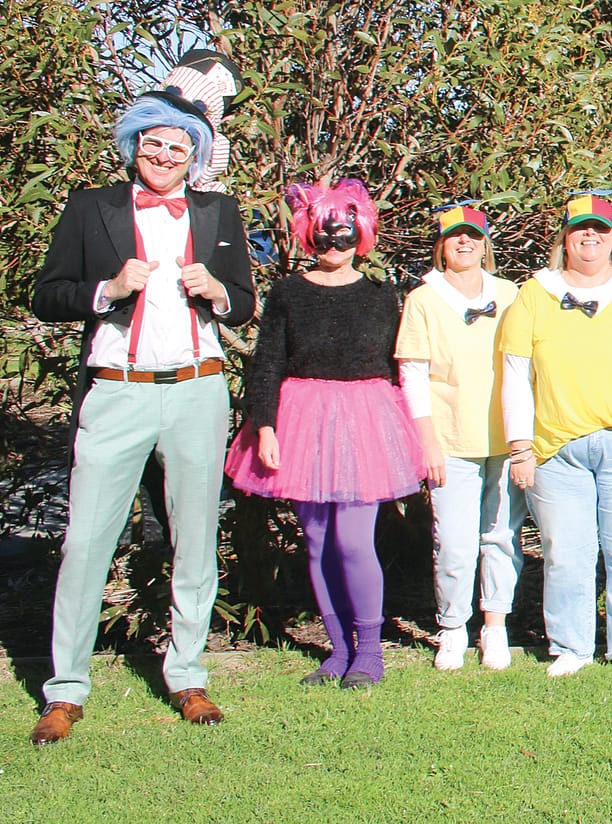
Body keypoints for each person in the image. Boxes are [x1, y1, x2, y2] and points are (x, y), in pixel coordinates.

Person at [28, 56, 254, 745]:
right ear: (135, 146)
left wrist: (219, 294)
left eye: (178, 145)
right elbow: (45, 294)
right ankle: (66, 691)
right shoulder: (91, 208)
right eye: (153, 142)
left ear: (196, 154)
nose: (163, 154)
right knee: (86, 542)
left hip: (197, 393)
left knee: (194, 544)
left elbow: (243, 304)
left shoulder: (219, 212)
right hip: (116, 395)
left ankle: (187, 678)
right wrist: (107, 291)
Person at [225, 178, 427, 690]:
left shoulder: (383, 296)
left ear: (360, 234)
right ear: (307, 236)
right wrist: (264, 424)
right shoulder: (290, 293)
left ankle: (370, 651)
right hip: (302, 421)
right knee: (317, 541)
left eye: (343, 235)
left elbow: (397, 366)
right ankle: (338, 650)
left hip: (365, 420)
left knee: (355, 541)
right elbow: (267, 361)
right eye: (322, 236)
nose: (332, 245)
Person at [498, 193, 612, 678]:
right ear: (565, 237)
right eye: (580, 229)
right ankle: (570, 646)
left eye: (599, 229)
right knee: (564, 552)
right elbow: (515, 374)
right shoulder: (534, 293)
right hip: (555, 450)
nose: (589, 237)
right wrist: (520, 446)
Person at [395, 203, 526, 671]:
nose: (464, 244)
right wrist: (426, 439)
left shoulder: (510, 293)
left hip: (506, 438)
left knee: (502, 537)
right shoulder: (423, 299)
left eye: (472, 236)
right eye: (455, 238)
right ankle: (453, 627)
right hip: (450, 439)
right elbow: (412, 374)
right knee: (453, 542)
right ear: (442, 247)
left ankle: (495, 627)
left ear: (485, 244)